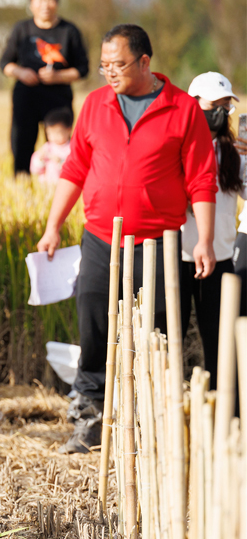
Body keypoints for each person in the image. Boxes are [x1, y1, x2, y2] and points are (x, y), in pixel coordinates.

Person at [36, 24, 217, 454]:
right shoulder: (97, 104)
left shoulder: (181, 110)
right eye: (103, 66)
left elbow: (202, 179)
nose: (109, 73)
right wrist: (53, 224)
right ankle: (90, 421)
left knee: (154, 329)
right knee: (94, 322)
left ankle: (148, 422)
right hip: (100, 236)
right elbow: (76, 168)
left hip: (157, 241)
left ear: (145, 62)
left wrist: (204, 240)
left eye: (118, 64)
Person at [182, 72, 244, 389]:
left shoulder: (234, 153)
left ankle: (224, 411)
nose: (220, 113)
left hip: (220, 259)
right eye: (213, 105)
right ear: (193, 105)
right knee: (169, 336)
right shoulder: (178, 146)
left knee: (220, 340)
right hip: (178, 256)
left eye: (225, 106)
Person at [0, 0, 88, 175]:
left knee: (60, 144)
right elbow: (5, 63)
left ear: (57, 2)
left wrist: (58, 76)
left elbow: (83, 69)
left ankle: (59, 182)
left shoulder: (69, 31)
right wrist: (21, 72)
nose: (45, 5)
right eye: (39, 0)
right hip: (26, 97)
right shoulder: (21, 29)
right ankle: (22, 180)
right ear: (31, 4)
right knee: (22, 143)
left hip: (58, 98)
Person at [29, 107, 72, 186]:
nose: (53, 137)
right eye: (50, 133)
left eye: (57, 133)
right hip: (46, 186)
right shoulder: (46, 148)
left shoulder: (71, 149)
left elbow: (73, 169)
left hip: (63, 187)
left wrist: (61, 162)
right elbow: (34, 169)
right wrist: (40, 159)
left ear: (69, 130)